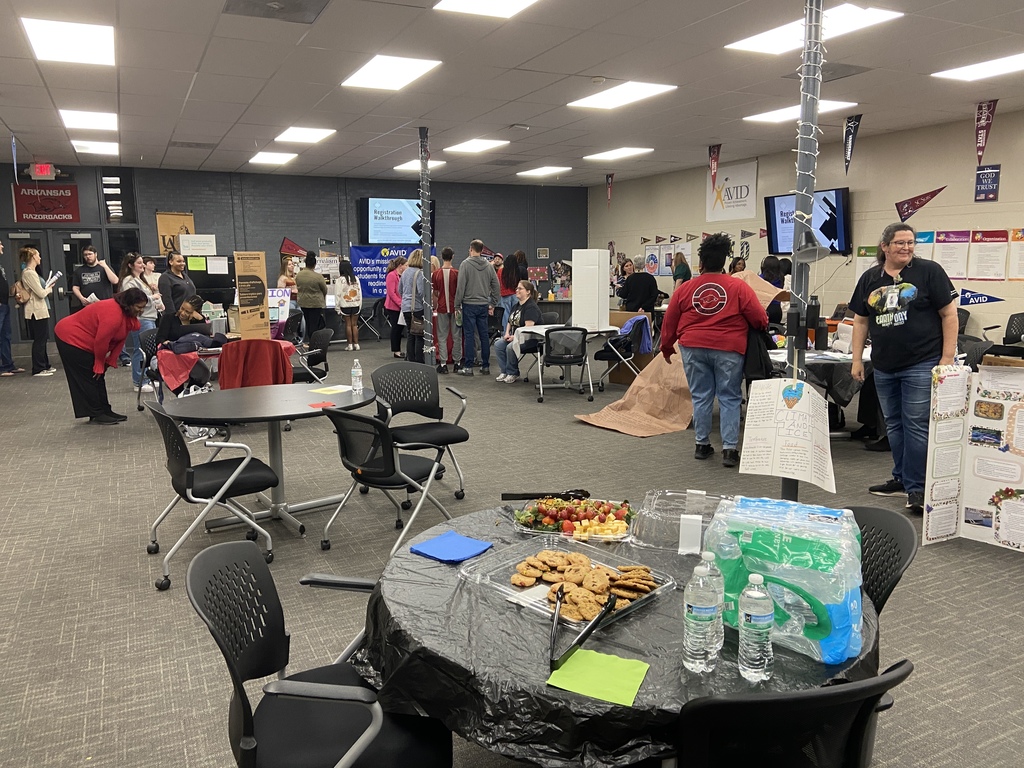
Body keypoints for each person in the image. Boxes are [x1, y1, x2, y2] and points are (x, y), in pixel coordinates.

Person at [850, 222, 957, 515]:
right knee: (893, 426)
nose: (907, 248)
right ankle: (901, 478)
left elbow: (949, 314)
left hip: (921, 362)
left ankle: (917, 488)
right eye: (900, 243)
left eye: (910, 242)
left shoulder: (929, 272)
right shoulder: (870, 278)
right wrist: (857, 359)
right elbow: (860, 320)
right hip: (884, 365)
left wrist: (947, 357)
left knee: (915, 425)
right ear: (884, 247)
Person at [660, 233, 768, 468]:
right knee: (730, 397)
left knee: (701, 395)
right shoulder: (738, 287)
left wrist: (666, 347)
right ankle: (729, 450)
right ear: (724, 262)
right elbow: (760, 318)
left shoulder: (686, 289)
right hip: (729, 347)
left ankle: (702, 444)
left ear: (701, 263)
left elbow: (670, 320)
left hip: (693, 346)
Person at [54, 288, 148, 425]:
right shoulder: (113, 314)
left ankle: (105, 410)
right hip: (70, 337)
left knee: (98, 376)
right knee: (89, 375)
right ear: (129, 304)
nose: (141, 311)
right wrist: (99, 362)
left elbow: (121, 337)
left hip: (85, 339)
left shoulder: (125, 313)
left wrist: (111, 360)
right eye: (139, 307)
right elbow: (101, 341)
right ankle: (96, 413)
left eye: (143, 307)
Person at [119, 252, 164, 391]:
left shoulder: (141, 279)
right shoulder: (129, 281)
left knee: (148, 351)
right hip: (141, 318)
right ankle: (139, 382)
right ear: (130, 265)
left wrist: (156, 299)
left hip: (150, 317)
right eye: (139, 263)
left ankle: (146, 378)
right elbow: (132, 299)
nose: (142, 265)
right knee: (140, 350)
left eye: (142, 262)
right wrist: (152, 298)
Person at [455, 239, 500, 376]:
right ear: (482, 250)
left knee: (469, 336)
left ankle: (468, 367)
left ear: (471, 249)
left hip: (469, 304)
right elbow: (496, 285)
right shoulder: (488, 266)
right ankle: (485, 366)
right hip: (483, 305)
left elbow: (461, 286)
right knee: (484, 336)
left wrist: (457, 304)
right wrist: (493, 303)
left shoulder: (465, 264)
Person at [494, 280, 542, 384]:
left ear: (528, 292)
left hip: (530, 339)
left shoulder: (531, 307)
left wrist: (515, 338)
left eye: (520, 288)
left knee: (510, 347)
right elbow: (509, 321)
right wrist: (507, 333)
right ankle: (504, 371)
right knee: (498, 344)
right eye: (516, 288)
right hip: (516, 337)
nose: (517, 290)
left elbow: (528, 328)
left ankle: (513, 372)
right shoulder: (516, 306)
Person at [19, 247, 56, 377]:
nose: (40, 258)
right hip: (36, 310)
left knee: (43, 338)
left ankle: (45, 365)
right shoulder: (29, 273)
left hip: (40, 309)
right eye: (38, 255)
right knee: (39, 339)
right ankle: (38, 368)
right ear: (33, 257)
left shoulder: (33, 272)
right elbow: (40, 293)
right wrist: (49, 289)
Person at [432, 246, 461, 374]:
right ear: (452, 257)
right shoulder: (457, 273)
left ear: (441, 257)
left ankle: (443, 364)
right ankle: (457, 363)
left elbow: (435, 292)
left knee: (442, 336)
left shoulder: (436, 274)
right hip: (456, 308)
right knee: (457, 336)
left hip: (442, 307)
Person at [399, 249, 429, 363]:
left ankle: (410, 360)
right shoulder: (420, 273)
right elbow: (422, 292)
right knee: (419, 335)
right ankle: (419, 361)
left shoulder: (405, 272)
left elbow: (400, 290)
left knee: (410, 334)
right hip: (417, 308)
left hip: (405, 307)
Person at [0, 240, 25, 377]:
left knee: (5, 336)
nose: (2, 246)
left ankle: (8, 365)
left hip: (4, 304)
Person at [71, 245, 118, 309]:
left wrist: (105, 266)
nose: (88, 257)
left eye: (90, 254)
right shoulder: (79, 271)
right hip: (88, 305)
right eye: (85, 255)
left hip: (104, 303)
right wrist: (81, 298)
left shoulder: (104, 267)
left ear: (95, 254)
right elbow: (75, 287)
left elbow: (115, 281)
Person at [295, 251, 327, 343]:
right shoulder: (318, 277)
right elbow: (324, 289)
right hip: (316, 303)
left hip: (303, 302)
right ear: (314, 264)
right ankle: (314, 342)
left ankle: (310, 341)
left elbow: (298, 286)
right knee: (315, 323)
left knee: (308, 322)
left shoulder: (299, 275)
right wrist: (322, 297)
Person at [334, 258, 363, 351]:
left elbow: (337, 295)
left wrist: (337, 308)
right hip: (356, 304)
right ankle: (357, 344)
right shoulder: (356, 279)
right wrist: (360, 305)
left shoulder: (339, 280)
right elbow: (360, 293)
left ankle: (350, 345)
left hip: (345, 305)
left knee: (348, 325)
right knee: (354, 325)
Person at [385, 256, 407, 358]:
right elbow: (391, 293)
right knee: (396, 329)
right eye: (406, 265)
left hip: (401, 306)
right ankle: (396, 350)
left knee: (400, 329)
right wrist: (400, 303)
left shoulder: (403, 275)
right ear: (400, 266)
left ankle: (398, 349)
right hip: (393, 307)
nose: (407, 267)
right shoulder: (391, 275)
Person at [758, 255, 785, 325]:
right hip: (777, 308)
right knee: (776, 328)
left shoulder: (761, 278)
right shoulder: (781, 278)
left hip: (765, 307)